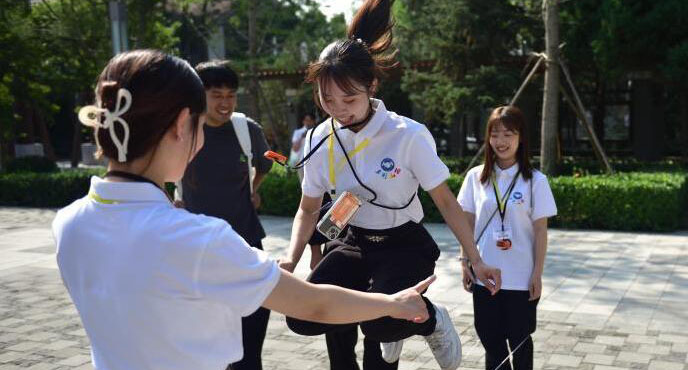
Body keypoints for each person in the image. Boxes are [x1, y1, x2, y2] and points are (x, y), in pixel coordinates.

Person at [52, 49, 436, 370]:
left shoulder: (68, 223)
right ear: (182, 125)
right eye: (202, 123)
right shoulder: (198, 239)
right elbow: (313, 305)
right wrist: (395, 304)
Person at [277, 2, 502, 370]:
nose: (338, 109)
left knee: (379, 324)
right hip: (352, 240)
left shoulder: (407, 136)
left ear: (372, 85)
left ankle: (429, 317)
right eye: (327, 99)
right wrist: (291, 256)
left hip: (403, 244)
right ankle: (394, 319)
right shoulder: (321, 137)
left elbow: (446, 203)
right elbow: (307, 207)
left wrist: (476, 259)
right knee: (301, 316)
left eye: (348, 98)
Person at [172, 60, 272, 370]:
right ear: (200, 95)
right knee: (207, 346)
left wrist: (253, 189)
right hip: (197, 252)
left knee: (250, 339)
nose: (225, 102)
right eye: (216, 94)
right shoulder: (182, 131)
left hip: (246, 243)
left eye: (231, 94)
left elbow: (265, 165)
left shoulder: (246, 130)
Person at [456, 106, 557, 370]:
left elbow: (540, 231)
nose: (501, 141)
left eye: (508, 134)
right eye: (495, 134)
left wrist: (537, 273)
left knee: (521, 342)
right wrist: (464, 261)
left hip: (521, 278)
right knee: (492, 342)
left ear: (521, 137)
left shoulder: (535, 181)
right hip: (485, 275)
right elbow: (467, 222)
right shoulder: (476, 178)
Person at [290, 113, 316, 181]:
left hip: (316, 162)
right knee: (304, 185)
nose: (308, 122)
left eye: (310, 120)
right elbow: (295, 149)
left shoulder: (318, 131)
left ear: (313, 121)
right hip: (302, 163)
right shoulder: (298, 132)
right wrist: (302, 137)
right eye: (306, 120)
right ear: (303, 121)